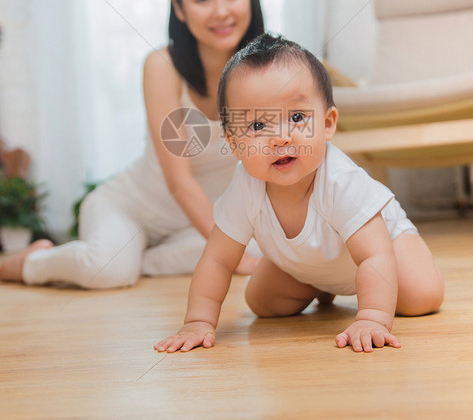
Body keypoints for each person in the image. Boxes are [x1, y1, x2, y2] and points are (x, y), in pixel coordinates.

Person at [0, 0, 265, 288]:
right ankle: (36, 260)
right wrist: (233, 256)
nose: (221, 11)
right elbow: (178, 180)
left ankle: (139, 260)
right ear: (179, 8)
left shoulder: (264, 70)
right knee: (108, 271)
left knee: (270, 245)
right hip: (130, 209)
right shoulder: (162, 66)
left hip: (192, 225)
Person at [155, 34, 444, 353]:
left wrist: (372, 318)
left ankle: (354, 283)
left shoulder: (340, 180)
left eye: (296, 118)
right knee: (263, 302)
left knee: (421, 296)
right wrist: (198, 320)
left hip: (384, 248)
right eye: (256, 126)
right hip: (314, 263)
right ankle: (318, 285)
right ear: (233, 143)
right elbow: (217, 260)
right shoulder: (245, 187)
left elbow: (374, 256)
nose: (280, 138)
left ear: (328, 123)